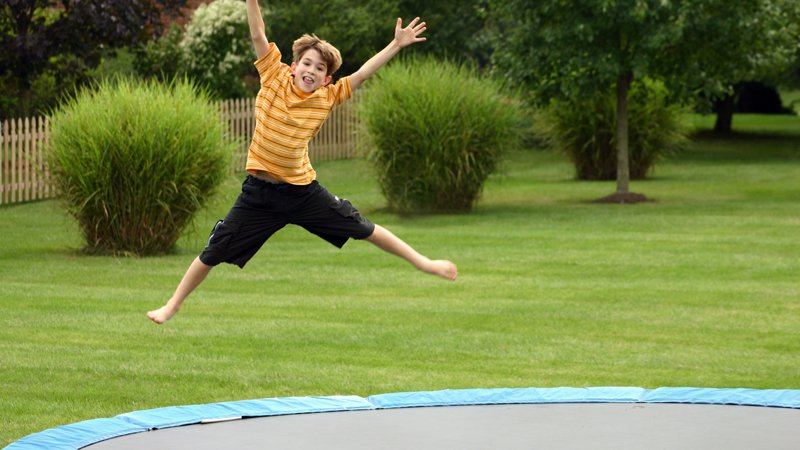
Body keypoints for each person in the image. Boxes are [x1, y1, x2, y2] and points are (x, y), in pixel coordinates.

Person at [147, 0, 457, 324]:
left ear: (326, 78)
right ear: (294, 66)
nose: (312, 70)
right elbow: (257, 34)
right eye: (307, 63)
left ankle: (424, 263)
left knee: (362, 227)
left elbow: (363, 73)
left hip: (302, 193)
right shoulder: (273, 75)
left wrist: (396, 43)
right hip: (258, 196)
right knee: (215, 248)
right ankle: (173, 304)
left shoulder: (328, 97)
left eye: (320, 68)